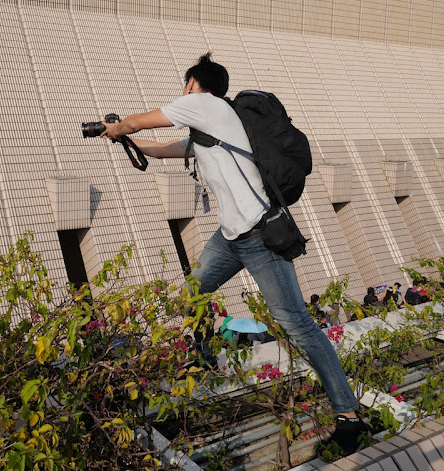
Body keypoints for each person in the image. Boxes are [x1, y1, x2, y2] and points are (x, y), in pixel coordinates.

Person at [101, 52, 368, 455]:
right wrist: (125, 139)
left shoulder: (204, 105)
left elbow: (139, 120)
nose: (182, 90)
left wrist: (116, 126)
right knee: (189, 295)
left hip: (259, 237)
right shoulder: (213, 125)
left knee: (298, 324)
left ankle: (350, 416)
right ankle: (194, 367)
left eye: (184, 82)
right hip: (231, 238)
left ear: (193, 82)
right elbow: (157, 150)